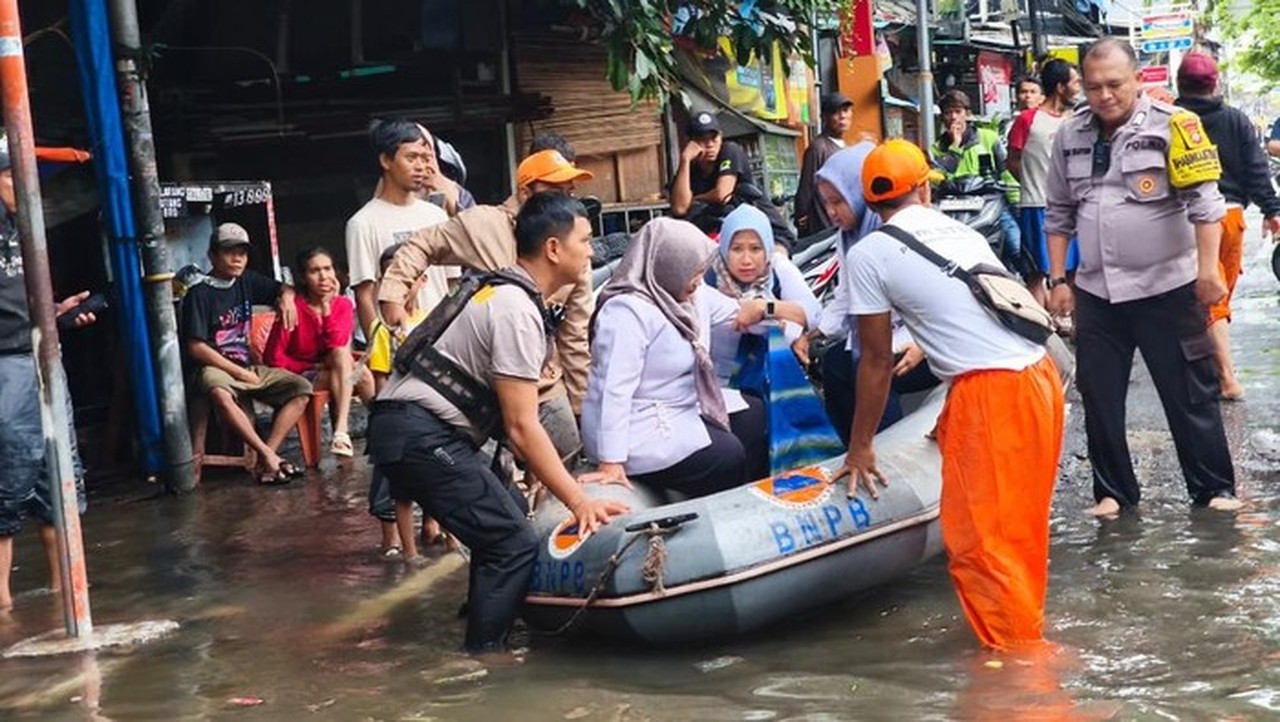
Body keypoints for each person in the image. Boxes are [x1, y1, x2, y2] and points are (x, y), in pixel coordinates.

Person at [366, 193, 628, 655]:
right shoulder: (516, 310)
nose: (591, 251)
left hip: (414, 429)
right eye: (584, 241)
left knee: (505, 510)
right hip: (420, 433)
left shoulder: (510, 295)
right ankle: (485, 661)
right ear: (553, 248)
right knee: (510, 542)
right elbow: (522, 425)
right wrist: (578, 501)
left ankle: (482, 619)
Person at [840, 138, 1065, 651]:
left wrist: (861, 446)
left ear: (870, 203)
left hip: (993, 394)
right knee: (1020, 532)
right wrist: (926, 347)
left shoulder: (869, 253)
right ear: (923, 188)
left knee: (981, 544)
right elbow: (960, 307)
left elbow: (874, 361)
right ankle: (1023, 638)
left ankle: (1019, 676)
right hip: (1037, 378)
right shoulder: (962, 232)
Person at [1045, 37, 1240, 516]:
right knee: (1100, 396)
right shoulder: (1069, 135)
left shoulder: (1177, 126)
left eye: (1114, 84)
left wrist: (1208, 271)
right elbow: (1058, 212)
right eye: (1093, 87)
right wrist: (1057, 279)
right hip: (1096, 290)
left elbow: (1206, 205)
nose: (1104, 95)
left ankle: (1214, 488)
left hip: (1167, 287)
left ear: (1137, 79)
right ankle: (1112, 493)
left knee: (1191, 394)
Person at [379, 148, 595, 462]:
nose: (566, 200)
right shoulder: (483, 224)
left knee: (569, 455)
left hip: (542, 381)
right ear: (524, 192)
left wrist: (580, 409)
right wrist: (392, 297)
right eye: (555, 190)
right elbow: (423, 244)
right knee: (478, 472)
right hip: (480, 381)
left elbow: (575, 337)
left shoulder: (575, 252)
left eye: (569, 191)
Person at [581, 217, 753, 498]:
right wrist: (612, 461)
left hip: (678, 408)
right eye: (694, 272)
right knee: (728, 456)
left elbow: (740, 313)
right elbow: (613, 390)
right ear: (669, 265)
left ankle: (746, 505)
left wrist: (781, 312)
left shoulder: (686, 295)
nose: (698, 280)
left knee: (754, 415)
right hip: (638, 426)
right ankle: (718, 520)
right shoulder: (627, 311)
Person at [0, 144, 96, 612]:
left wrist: (56, 314)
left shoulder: (26, 232)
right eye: (12, 178)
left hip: (41, 356)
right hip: (6, 366)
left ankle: (64, 597)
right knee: (8, 478)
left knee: (57, 476)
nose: (25, 188)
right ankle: (2, 607)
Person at [794, 144, 940, 444]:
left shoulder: (895, 235)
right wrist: (811, 336)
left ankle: (887, 455)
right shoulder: (848, 237)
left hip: (925, 343)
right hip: (889, 339)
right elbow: (846, 295)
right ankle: (844, 446)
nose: (831, 211)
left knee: (873, 372)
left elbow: (935, 299)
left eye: (838, 201)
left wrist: (919, 344)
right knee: (835, 363)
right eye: (826, 203)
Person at [1175, 51, 1280, 400]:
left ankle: (1225, 377)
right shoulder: (1236, 120)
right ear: (1215, 83)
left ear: (1179, 82)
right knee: (1216, 297)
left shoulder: (1169, 120)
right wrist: (1271, 208)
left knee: (1210, 299)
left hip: (1186, 220)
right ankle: (1220, 373)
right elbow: (1256, 169)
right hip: (1231, 218)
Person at [182, 223, 312, 485]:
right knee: (219, 392)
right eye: (229, 252)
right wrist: (239, 372)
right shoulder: (199, 293)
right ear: (212, 256)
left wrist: (286, 297)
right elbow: (196, 348)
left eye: (242, 252)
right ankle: (268, 455)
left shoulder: (246, 281)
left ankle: (269, 458)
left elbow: (283, 288)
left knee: (301, 389)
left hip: (246, 366)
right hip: (214, 368)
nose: (237, 258)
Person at [707, 205, 822, 479]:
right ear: (724, 248)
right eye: (737, 249)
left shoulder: (779, 270)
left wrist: (765, 308)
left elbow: (813, 314)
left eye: (755, 249)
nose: (747, 260)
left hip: (774, 377)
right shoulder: (706, 278)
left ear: (767, 248)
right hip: (720, 384)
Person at [347, 118, 456, 343]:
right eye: (411, 158)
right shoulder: (363, 223)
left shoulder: (437, 216)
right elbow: (365, 296)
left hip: (443, 343)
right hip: (399, 345)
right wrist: (381, 356)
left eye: (425, 159)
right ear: (386, 160)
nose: (420, 166)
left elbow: (452, 284)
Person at [264, 247, 375, 457]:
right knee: (361, 375)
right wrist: (311, 366)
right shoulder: (292, 307)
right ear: (304, 277)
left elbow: (337, 345)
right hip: (299, 374)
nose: (323, 276)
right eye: (315, 271)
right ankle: (371, 429)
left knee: (346, 360)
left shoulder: (342, 304)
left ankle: (342, 430)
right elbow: (274, 357)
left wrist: (326, 309)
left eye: (328, 268)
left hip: (334, 370)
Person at [1008, 59, 1083, 304]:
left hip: (1073, 207)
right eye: (1075, 82)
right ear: (1061, 87)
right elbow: (1013, 160)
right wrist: (1034, 183)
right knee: (1036, 272)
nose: (1078, 87)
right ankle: (1042, 331)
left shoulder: (1076, 120)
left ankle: (1073, 325)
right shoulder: (1027, 120)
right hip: (1036, 205)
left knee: (1075, 271)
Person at [670, 112, 795, 252]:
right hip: (726, 240)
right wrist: (685, 159)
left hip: (770, 235)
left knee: (775, 262)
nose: (710, 145)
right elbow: (680, 208)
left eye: (714, 138)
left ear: (721, 136)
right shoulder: (690, 168)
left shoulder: (729, 150)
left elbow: (722, 194)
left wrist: (695, 198)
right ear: (690, 142)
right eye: (702, 140)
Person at [931, 89, 1022, 270]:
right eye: (948, 112)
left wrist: (1016, 200)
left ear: (967, 114)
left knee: (1016, 246)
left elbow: (1006, 170)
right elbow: (939, 176)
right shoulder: (937, 148)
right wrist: (955, 147)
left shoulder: (988, 138)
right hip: (955, 208)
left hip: (990, 203)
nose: (953, 117)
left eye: (958, 111)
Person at [793, 92, 854, 237]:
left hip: (842, 224)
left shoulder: (845, 147)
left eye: (845, 111)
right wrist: (801, 217)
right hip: (824, 226)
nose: (842, 116)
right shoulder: (819, 147)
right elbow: (806, 187)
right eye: (835, 112)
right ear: (825, 117)